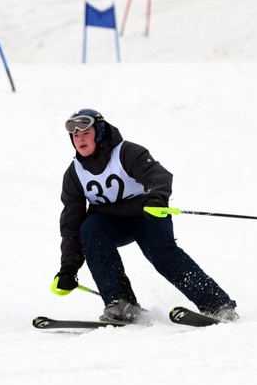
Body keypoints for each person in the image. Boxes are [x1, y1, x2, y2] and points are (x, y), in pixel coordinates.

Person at [51, 108, 239, 323]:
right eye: (75, 135)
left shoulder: (126, 152)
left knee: (162, 255)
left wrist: (156, 197)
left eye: (85, 133)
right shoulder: (75, 174)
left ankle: (218, 305)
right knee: (89, 228)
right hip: (111, 224)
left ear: (100, 132)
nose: (80, 139)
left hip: (146, 214)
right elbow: (71, 225)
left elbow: (158, 175)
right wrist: (68, 268)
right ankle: (121, 303)